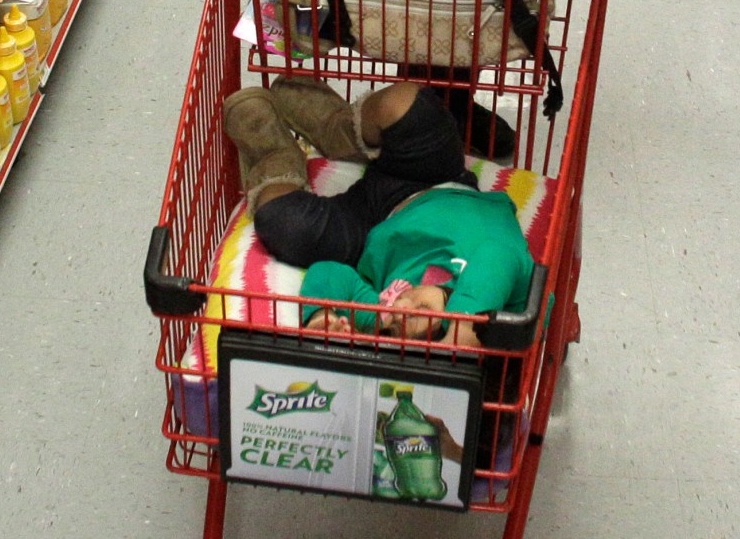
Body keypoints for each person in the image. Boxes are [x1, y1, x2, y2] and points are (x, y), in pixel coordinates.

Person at [226, 78, 532, 345]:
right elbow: (499, 257)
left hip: (371, 224)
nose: (404, 306)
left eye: (395, 323)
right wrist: (466, 323)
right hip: (443, 180)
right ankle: (339, 129)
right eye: (422, 312)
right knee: (408, 104)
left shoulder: (386, 312)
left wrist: (321, 315)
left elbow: (330, 273)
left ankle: (276, 155)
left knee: (284, 223)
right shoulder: (497, 312)